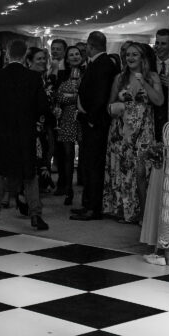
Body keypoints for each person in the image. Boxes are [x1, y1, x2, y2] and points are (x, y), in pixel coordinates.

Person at [0, 39, 50, 230]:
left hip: (2, 133)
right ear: (25, 54)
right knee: (30, 175)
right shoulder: (34, 78)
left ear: (8, 54)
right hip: (25, 133)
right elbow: (43, 106)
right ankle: (36, 215)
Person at [104, 42, 164, 224]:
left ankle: (143, 212)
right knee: (123, 170)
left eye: (135, 54)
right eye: (128, 54)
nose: (130, 58)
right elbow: (109, 104)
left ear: (143, 58)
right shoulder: (119, 78)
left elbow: (159, 101)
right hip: (121, 131)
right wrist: (116, 108)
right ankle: (124, 210)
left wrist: (143, 82)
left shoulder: (152, 76)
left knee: (141, 170)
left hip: (143, 130)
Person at [71, 31, 117, 221]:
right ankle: (88, 203)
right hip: (91, 121)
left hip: (95, 123)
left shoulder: (102, 64)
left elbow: (100, 95)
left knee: (94, 165)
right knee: (88, 164)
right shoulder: (98, 63)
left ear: (90, 46)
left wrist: (91, 118)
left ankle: (93, 207)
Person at [52, 45, 85, 205]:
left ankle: (84, 185)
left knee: (85, 154)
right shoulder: (62, 74)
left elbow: (85, 96)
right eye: (71, 54)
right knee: (67, 154)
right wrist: (71, 98)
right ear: (67, 58)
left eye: (77, 54)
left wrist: (70, 97)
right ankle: (67, 188)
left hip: (83, 117)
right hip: (65, 117)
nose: (74, 57)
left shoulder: (87, 73)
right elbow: (57, 98)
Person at [26, 46, 55, 196]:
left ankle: (41, 185)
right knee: (35, 154)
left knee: (46, 151)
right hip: (32, 122)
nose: (42, 61)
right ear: (29, 61)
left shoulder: (47, 77)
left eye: (44, 58)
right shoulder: (27, 78)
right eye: (39, 59)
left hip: (46, 122)